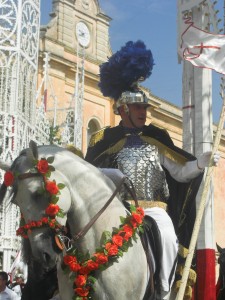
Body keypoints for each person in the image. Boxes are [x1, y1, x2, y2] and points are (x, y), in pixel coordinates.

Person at [85, 40, 220, 300]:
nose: (143, 113)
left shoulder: (156, 139)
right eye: (138, 108)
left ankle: (164, 292)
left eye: (145, 108)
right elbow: (92, 176)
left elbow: (180, 172)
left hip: (154, 210)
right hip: (119, 210)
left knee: (168, 236)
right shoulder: (104, 141)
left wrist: (200, 163)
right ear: (123, 109)